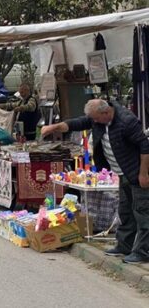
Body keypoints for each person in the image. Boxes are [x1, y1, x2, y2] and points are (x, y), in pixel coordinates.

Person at [42, 99, 149, 264]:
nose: (94, 122)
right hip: (122, 173)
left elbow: (144, 147)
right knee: (125, 210)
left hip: (136, 173)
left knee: (142, 212)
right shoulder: (97, 118)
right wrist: (54, 127)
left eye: (96, 119)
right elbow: (76, 123)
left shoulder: (127, 121)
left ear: (106, 113)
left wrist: (144, 173)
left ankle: (142, 252)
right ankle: (125, 245)